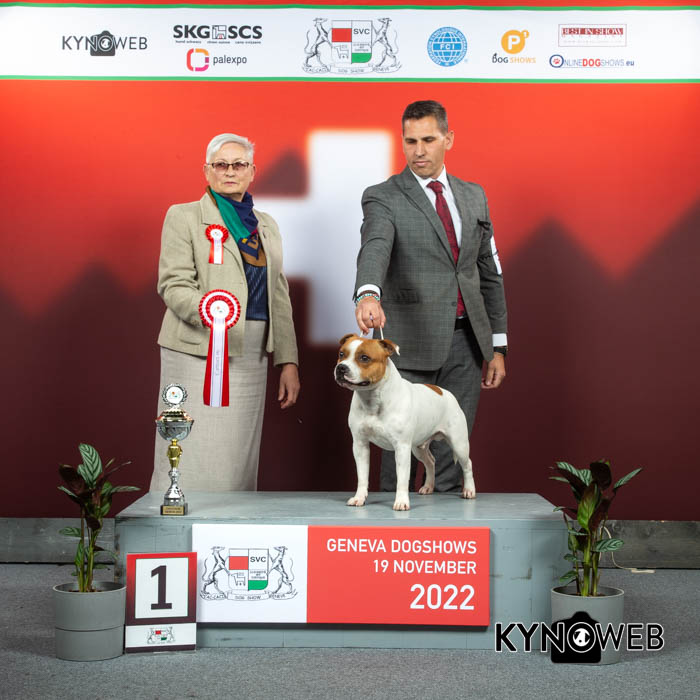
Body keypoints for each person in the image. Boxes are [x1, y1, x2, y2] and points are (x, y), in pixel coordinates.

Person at [354, 100, 507, 493]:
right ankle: (392, 526)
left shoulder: (474, 196)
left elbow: (489, 273)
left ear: (448, 139)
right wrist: (367, 293)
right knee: (397, 454)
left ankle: (449, 527)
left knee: (454, 453)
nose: (418, 151)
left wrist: (496, 346)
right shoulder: (383, 196)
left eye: (428, 140)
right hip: (409, 344)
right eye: (410, 141)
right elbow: (375, 246)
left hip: (467, 345)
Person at [150, 133, 300, 494]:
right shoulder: (183, 216)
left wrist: (288, 361)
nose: (230, 171)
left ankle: (231, 520)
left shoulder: (267, 224)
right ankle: (176, 515)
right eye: (221, 164)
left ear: (252, 172)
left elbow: (279, 294)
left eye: (238, 164)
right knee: (188, 447)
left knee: (236, 455)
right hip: (195, 348)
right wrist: (211, 313)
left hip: (252, 352)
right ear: (207, 171)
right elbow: (173, 284)